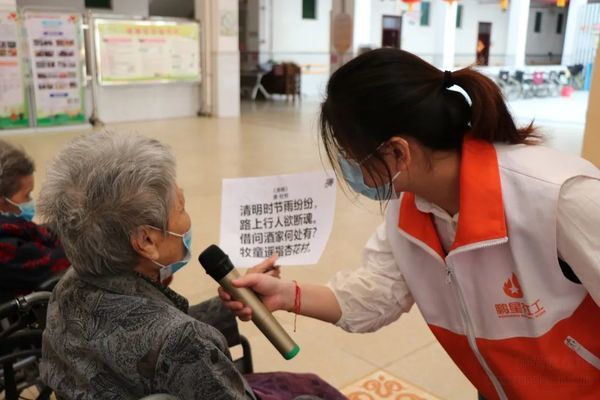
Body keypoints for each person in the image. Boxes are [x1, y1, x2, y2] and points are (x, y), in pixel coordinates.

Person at [220, 48, 600, 400]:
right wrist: (286, 295)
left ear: (399, 151)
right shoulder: (409, 211)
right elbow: (373, 296)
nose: (347, 167)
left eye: (350, 154)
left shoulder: (561, 197)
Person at [38, 132, 345, 400]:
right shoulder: (187, 342)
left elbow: (146, 337)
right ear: (146, 240)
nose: (187, 218)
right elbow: (174, 342)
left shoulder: (68, 286)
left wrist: (232, 302)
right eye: (181, 207)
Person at [0, 140, 69, 301]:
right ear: (2, 200)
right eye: (26, 195)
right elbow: (60, 261)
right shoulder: (6, 249)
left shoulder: (14, 229)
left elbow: (42, 232)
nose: (31, 201)